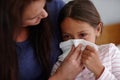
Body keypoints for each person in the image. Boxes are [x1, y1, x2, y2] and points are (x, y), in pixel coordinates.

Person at [51, 0, 120, 80]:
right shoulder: (60, 66)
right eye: (67, 36)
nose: (76, 44)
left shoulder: (110, 52)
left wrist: (99, 70)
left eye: (82, 35)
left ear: (98, 29)